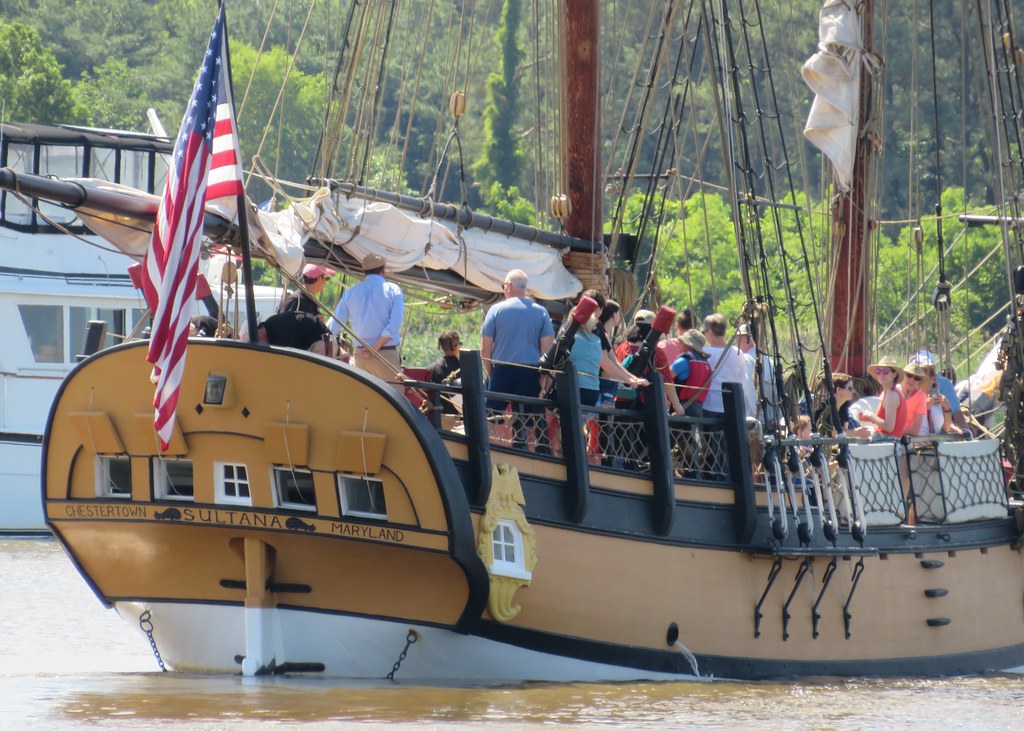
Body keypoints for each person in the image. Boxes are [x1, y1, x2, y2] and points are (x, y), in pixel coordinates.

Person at [480, 270, 554, 446]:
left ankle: (496, 452)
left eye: (504, 285)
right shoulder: (541, 312)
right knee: (528, 421)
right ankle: (525, 455)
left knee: (493, 418)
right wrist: (543, 378)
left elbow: (485, 348)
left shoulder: (496, 310)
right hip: (529, 372)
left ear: (509, 287)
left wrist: (490, 372)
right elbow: (547, 351)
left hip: (502, 370)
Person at [329, 254, 405, 393]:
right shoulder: (393, 290)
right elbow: (393, 326)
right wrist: (374, 348)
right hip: (385, 355)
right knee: (394, 403)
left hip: (359, 356)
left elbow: (332, 326)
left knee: (362, 400)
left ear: (364, 271)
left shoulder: (350, 293)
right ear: (383, 270)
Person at [701, 313, 752, 418]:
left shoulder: (705, 353)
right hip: (733, 405)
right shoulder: (737, 353)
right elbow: (743, 379)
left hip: (711, 406)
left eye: (704, 332)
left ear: (709, 331)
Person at [859, 356, 906, 439]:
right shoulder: (889, 393)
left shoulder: (892, 395)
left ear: (894, 374)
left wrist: (871, 416)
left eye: (885, 371)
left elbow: (889, 427)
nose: (881, 374)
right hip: (886, 443)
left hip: (886, 443)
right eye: (878, 371)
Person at [669, 329, 712, 418]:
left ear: (687, 344)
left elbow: (665, 377)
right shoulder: (706, 363)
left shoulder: (683, 361)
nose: (679, 343)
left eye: (681, 341)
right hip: (698, 410)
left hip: (680, 409)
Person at [257, 311, 336, 355]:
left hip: (321, 341)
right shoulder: (270, 323)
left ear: (260, 335)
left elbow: (286, 356)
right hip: (319, 337)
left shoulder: (277, 333)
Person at [428, 330, 462, 415]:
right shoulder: (464, 369)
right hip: (458, 417)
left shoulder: (433, 368)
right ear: (456, 346)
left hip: (439, 416)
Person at [900, 362, 929, 436]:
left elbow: (916, 430)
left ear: (919, 382)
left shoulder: (921, 396)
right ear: (903, 376)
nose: (912, 380)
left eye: (916, 378)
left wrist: (895, 432)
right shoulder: (893, 391)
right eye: (909, 376)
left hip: (906, 438)